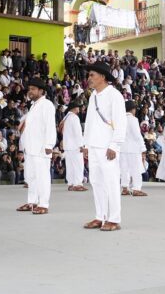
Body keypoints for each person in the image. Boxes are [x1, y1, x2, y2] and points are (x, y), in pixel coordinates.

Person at [82, 61, 126, 232]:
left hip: (107, 146)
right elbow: (90, 122)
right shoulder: (93, 95)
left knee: (111, 182)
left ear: (102, 76)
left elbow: (121, 123)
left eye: (92, 75)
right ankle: (100, 216)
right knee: (96, 182)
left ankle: (114, 218)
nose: (89, 78)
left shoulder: (114, 95)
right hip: (93, 145)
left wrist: (114, 145)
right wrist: (86, 144)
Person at [16, 78, 56, 215]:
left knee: (42, 176)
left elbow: (50, 126)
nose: (30, 91)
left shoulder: (47, 104)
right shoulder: (33, 106)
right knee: (31, 176)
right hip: (30, 147)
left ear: (41, 90)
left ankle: (43, 203)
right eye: (29, 89)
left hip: (41, 148)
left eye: (33, 89)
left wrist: (49, 144)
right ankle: (32, 202)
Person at [120, 100, 147, 197]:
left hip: (122, 148)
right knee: (136, 169)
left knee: (124, 168)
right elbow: (137, 135)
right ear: (133, 109)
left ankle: (124, 188)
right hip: (133, 148)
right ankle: (136, 189)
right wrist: (143, 147)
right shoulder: (133, 119)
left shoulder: (120, 118)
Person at [61, 100, 86, 191]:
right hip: (75, 145)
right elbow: (77, 133)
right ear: (75, 108)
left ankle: (71, 183)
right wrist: (81, 145)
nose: (79, 108)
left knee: (70, 165)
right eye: (78, 107)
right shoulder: (74, 118)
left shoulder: (66, 118)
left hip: (67, 145)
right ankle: (77, 184)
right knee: (78, 165)